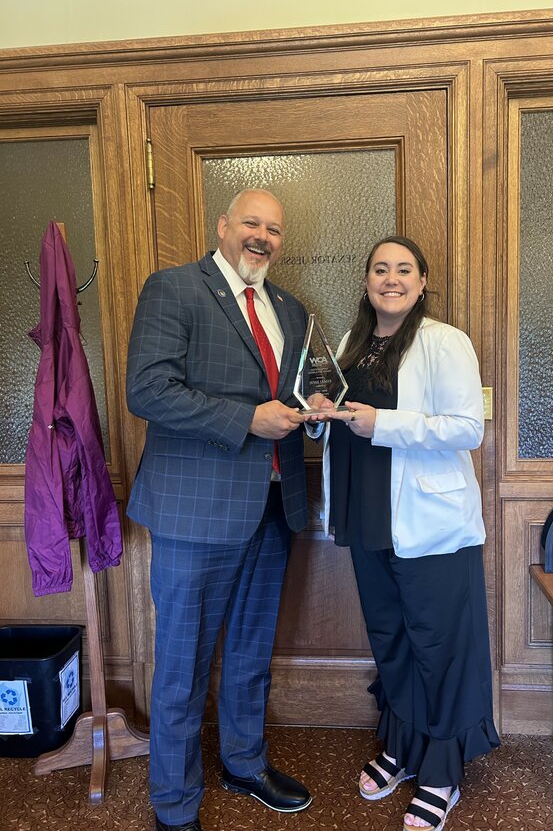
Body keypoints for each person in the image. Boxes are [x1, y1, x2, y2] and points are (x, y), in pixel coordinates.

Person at [126, 189, 313, 831]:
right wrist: (248, 419)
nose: (262, 237)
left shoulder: (289, 308)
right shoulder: (173, 288)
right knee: (183, 663)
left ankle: (244, 761)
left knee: (251, 651)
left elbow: (284, 391)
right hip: (195, 511)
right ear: (222, 227)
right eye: (251, 223)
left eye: (275, 229)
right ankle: (174, 808)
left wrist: (310, 407)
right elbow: (147, 389)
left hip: (273, 503)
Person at [316, 236, 500, 831]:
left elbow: (467, 427)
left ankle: (442, 771)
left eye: (403, 270)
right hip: (368, 516)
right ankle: (402, 746)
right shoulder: (351, 344)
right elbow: (347, 421)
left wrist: (382, 422)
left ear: (422, 282)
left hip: (432, 525)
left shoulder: (445, 341)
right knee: (391, 638)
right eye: (379, 269)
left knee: (440, 647)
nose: (390, 279)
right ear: (366, 281)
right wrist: (321, 413)